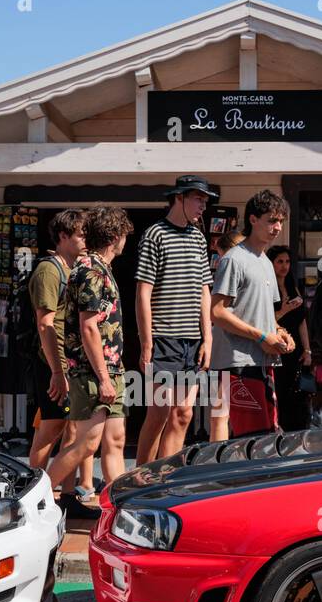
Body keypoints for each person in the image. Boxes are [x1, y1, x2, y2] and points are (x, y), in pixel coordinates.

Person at [47, 207, 133, 495]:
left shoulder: (99, 269)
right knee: (88, 442)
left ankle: (118, 509)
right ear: (115, 236)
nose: (125, 241)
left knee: (116, 439)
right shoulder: (92, 271)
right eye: (124, 235)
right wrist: (104, 378)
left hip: (110, 368)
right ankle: (36, 496)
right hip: (94, 371)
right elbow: (88, 328)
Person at [135, 175, 216, 465]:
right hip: (163, 338)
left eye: (205, 201)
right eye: (198, 199)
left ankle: (164, 480)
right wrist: (147, 343)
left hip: (192, 341)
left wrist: (207, 337)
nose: (203, 206)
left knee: (183, 414)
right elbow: (143, 293)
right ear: (179, 198)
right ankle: (140, 478)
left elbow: (205, 289)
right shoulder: (155, 234)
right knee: (158, 412)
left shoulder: (198, 236)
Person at [208, 190, 294, 441]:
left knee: (266, 437)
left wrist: (281, 334)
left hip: (263, 362)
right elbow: (217, 312)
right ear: (253, 219)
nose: (277, 227)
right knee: (252, 440)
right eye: (271, 220)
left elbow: (265, 317)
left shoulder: (266, 262)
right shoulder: (234, 259)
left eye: (280, 221)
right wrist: (262, 337)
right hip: (238, 362)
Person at [27, 209, 97, 503]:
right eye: (81, 234)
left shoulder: (71, 268)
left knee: (70, 428)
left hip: (68, 363)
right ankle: (29, 495)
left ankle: (67, 496)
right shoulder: (49, 270)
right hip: (53, 363)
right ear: (63, 236)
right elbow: (45, 322)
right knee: (52, 427)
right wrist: (58, 371)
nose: (86, 240)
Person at [268, 245, 313, 431]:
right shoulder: (267, 287)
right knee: (279, 393)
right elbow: (266, 321)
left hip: (295, 351)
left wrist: (307, 349)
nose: (284, 266)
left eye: (287, 262)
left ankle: (297, 429)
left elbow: (302, 321)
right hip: (276, 347)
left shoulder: (293, 286)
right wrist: (284, 310)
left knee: (296, 393)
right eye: (279, 261)